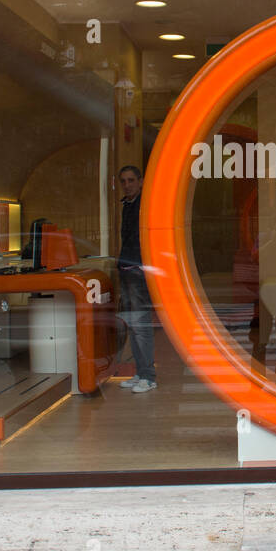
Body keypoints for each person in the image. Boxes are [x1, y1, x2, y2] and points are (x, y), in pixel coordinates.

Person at [117, 165, 157, 393]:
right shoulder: (127, 205)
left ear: (140, 181)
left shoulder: (144, 205)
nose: (127, 184)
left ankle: (149, 375)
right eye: (123, 181)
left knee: (141, 324)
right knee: (133, 323)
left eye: (131, 180)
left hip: (138, 269)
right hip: (127, 268)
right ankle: (141, 372)